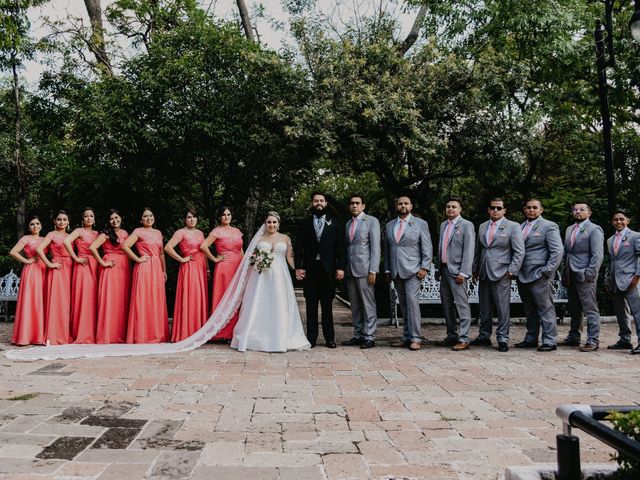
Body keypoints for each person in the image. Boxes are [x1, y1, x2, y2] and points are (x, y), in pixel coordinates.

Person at [231, 212, 311, 352]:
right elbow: (251, 257)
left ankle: (279, 338)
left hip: (280, 276)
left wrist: (297, 269)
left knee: (279, 303)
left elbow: (290, 257)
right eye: (269, 222)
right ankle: (255, 336)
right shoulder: (259, 238)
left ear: (278, 224)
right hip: (261, 277)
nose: (271, 225)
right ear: (265, 223)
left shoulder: (285, 238)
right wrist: (257, 261)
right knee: (259, 303)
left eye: (274, 222)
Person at [471, 198, 525, 352]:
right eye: (492, 208)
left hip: (502, 273)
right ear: (488, 210)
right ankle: (484, 336)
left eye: (498, 208)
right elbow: (478, 250)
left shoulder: (513, 227)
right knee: (484, 307)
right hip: (483, 272)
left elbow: (519, 251)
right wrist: (475, 269)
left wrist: (511, 271)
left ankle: (502, 338)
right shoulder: (482, 226)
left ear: (504, 210)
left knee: (502, 308)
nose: (495, 210)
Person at [294, 192, 345, 348]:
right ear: (312, 203)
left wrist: (340, 267)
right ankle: (311, 338)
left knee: (327, 306)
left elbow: (341, 247)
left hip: (327, 270)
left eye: (321, 201)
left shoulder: (335, 223)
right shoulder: (304, 223)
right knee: (310, 306)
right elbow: (298, 247)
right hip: (310, 269)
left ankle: (330, 338)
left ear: (326, 203)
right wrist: (298, 267)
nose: (319, 203)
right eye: (316, 201)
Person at [384, 195, 432, 351]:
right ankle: (406, 336)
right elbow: (387, 249)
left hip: (414, 271)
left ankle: (416, 338)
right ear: (396, 206)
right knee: (403, 305)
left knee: (412, 305)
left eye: (406, 203)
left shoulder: (420, 224)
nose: (403, 206)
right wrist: (387, 269)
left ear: (411, 206)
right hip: (396, 271)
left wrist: (425, 267)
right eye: (400, 204)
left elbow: (427, 246)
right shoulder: (390, 225)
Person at [514, 199, 564, 352]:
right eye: (528, 208)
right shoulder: (519, 227)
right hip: (522, 274)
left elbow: (557, 251)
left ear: (541, 210)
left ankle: (549, 340)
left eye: (535, 208)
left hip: (539, 274)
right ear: (524, 210)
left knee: (545, 308)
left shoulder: (549, 226)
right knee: (529, 309)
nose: (531, 210)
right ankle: (531, 338)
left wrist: (547, 272)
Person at [560, 201, 604, 352]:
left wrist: (590, 273)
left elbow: (597, 255)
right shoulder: (569, 229)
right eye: (575, 209)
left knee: (590, 308)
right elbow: (567, 253)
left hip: (585, 274)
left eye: (581, 209)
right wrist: (564, 273)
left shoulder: (594, 229)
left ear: (589, 213)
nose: (577, 212)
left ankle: (593, 339)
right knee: (574, 308)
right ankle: (574, 336)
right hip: (571, 274)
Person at [123, 207, 169, 344]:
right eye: (145, 216)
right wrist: (138, 259)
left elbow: (161, 253)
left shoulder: (158, 232)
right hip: (144, 266)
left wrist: (163, 270)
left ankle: (156, 333)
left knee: (156, 299)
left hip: (156, 267)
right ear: (141, 219)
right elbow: (125, 246)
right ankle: (142, 334)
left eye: (150, 216)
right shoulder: (138, 231)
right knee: (142, 299)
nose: (148, 218)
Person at [435, 197, 476, 351]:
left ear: (460, 209)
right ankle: (451, 335)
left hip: (458, 271)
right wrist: (439, 268)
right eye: (448, 206)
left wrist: (464, 272)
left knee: (461, 305)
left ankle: (464, 338)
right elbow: (441, 247)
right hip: (444, 269)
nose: (450, 209)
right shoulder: (443, 225)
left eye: (454, 206)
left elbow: (469, 250)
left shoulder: (466, 225)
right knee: (446, 305)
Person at [341, 195, 380, 349]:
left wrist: (373, 270)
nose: (354, 206)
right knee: (355, 305)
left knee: (368, 304)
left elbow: (375, 247)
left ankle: (370, 336)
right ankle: (358, 334)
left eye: (357, 203)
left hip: (365, 269)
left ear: (363, 206)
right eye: (352, 203)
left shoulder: (371, 221)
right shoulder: (348, 224)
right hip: (350, 270)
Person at [200, 206, 243, 341]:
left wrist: (244, 265)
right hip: (224, 267)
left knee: (236, 297)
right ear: (220, 217)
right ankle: (221, 332)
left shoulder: (237, 231)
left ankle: (234, 331)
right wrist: (214, 259)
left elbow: (241, 249)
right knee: (224, 297)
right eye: (224, 215)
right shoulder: (217, 231)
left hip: (237, 266)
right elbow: (203, 246)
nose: (226, 217)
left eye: (229, 214)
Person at [165, 209, 208, 342]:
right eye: (189, 217)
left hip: (200, 267)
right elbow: (167, 247)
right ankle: (186, 332)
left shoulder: (200, 233)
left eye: (194, 217)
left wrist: (207, 269)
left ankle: (199, 331)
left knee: (199, 297)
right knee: (189, 297)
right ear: (185, 219)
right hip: (189, 267)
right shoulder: (180, 232)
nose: (192, 220)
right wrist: (181, 259)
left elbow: (204, 251)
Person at [89, 209, 131, 344]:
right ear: (108, 221)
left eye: (117, 218)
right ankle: (108, 334)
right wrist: (102, 262)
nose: (115, 220)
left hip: (124, 267)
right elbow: (93, 247)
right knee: (110, 299)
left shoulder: (125, 233)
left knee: (121, 300)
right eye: (112, 218)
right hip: (111, 267)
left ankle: (121, 334)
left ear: (121, 218)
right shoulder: (106, 233)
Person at [604, 210, 640, 354]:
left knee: (637, 312)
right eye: (615, 219)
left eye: (621, 219)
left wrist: (637, 277)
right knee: (621, 312)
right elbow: (612, 261)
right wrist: (607, 280)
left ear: (627, 220)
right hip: (615, 281)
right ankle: (625, 340)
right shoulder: (610, 240)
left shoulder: (636, 236)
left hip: (632, 280)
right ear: (612, 222)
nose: (618, 222)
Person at [36, 210, 73, 345]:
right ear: (55, 221)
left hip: (70, 268)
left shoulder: (71, 235)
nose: (61, 222)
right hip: (57, 268)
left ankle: (66, 333)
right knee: (57, 301)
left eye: (64, 219)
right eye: (59, 219)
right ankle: (54, 334)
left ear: (68, 222)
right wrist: (49, 263)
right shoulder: (51, 234)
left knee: (68, 302)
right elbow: (39, 249)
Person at [9, 216, 46, 345]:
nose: (35, 226)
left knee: (41, 301)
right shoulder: (26, 238)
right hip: (31, 271)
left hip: (43, 270)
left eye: (37, 223)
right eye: (32, 224)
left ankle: (39, 335)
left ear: (41, 226)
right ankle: (26, 336)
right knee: (30, 301)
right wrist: (27, 260)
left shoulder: (44, 239)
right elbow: (13, 252)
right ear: (29, 227)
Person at [64, 208, 99, 344]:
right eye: (86, 216)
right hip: (82, 264)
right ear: (82, 219)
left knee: (93, 298)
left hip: (95, 265)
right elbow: (67, 242)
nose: (89, 218)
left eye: (91, 216)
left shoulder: (97, 233)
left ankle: (93, 332)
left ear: (94, 219)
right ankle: (81, 332)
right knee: (82, 297)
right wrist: (76, 258)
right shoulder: (78, 231)